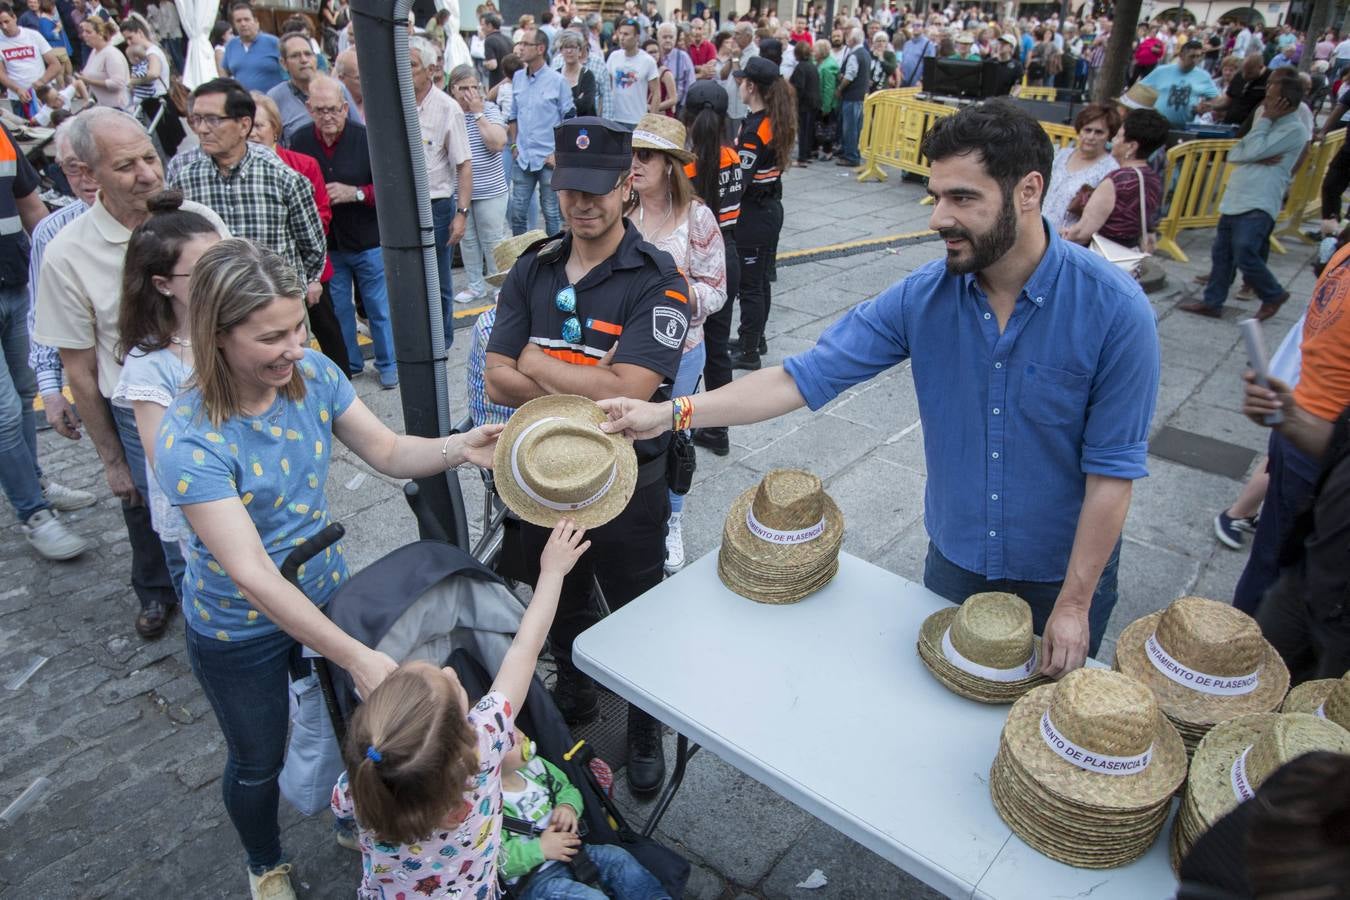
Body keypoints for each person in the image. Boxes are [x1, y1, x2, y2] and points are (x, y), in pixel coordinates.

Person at [599, 99, 1161, 675]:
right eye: (936, 194)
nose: (938, 217)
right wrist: (668, 415)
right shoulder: (924, 296)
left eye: (962, 198)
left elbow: (1112, 475)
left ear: (1028, 191)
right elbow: (801, 377)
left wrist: (1074, 602)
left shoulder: (1115, 312)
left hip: (1062, 577)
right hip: (955, 562)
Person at [151, 239, 503, 900]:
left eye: (297, 326)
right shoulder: (190, 438)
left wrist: (462, 448)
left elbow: (390, 450)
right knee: (256, 760)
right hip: (239, 626)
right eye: (270, 337)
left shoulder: (314, 372)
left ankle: (361, 812)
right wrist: (358, 657)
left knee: (350, 729)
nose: (293, 346)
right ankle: (264, 861)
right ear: (218, 336)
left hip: (327, 594)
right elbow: (252, 574)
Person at [485, 118, 690, 796]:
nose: (583, 204)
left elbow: (628, 393)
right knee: (561, 594)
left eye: (598, 189)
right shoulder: (534, 266)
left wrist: (538, 361)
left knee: (638, 606)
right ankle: (572, 689)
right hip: (543, 473)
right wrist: (584, 375)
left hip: (631, 478)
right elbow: (494, 377)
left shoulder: (658, 280)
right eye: (571, 189)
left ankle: (642, 725)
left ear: (627, 185)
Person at [33, 109, 228, 637]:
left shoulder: (198, 222)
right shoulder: (66, 252)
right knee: (161, 515)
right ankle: (180, 607)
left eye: (150, 156)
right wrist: (113, 462)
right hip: (139, 409)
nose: (147, 173)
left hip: (220, 389)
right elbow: (80, 366)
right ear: (87, 175)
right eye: (127, 166)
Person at [334, 521, 588, 900]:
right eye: (452, 683)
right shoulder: (483, 750)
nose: (451, 669)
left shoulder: (366, 777)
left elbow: (342, 809)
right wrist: (552, 572)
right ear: (465, 728)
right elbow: (524, 650)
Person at [628, 114, 726, 572]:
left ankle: (674, 520)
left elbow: (718, 289)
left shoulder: (698, 217)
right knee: (627, 431)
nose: (634, 164)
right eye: (631, 154)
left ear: (669, 165)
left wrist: (679, 293)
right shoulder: (620, 210)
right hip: (624, 354)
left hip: (681, 352)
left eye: (645, 155)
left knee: (675, 437)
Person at [170, 79, 329, 349]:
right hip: (217, 315)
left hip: (277, 312)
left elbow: (314, 250)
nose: (202, 129)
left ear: (244, 124)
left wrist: (290, 293)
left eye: (213, 119)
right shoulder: (184, 180)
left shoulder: (282, 177)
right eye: (196, 119)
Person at [0, 118, 90, 561]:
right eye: (73, 168)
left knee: (22, 395)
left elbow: (31, 207)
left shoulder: (1, 132)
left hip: (14, 284)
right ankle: (33, 512)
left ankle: (33, 481)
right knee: (3, 414)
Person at [112, 192, 222, 547]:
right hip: (205, 511)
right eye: (205, 271)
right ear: (163, 284)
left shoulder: (235, 330)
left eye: (226, 263)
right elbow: (165, 459)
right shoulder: (151, 364)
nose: (222, 278)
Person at [291, 75, 398, 387]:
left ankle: (388, 364)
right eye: (321, 110)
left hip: (366, 240)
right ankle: (349, 364)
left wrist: (357, 193)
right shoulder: (300, 140)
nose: (329, 117)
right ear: (310, 109)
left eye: (335, 110)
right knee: (339, 309)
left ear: (345, 108)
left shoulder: (364, 137)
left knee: (378, 308)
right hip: (329, 244)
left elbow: (388, 188)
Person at [1180, 76, 1309, 322]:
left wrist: (1263, 128)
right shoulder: (1266, 120)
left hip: (1259, 200)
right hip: (1238, 196)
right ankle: (1213, 301)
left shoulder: (1293, 129)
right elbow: (1238, 152)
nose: (1265, 102)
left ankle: (1272, 293)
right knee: (1222, 254)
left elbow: (1252, 150)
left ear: (1285, 101)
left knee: (1245, 251)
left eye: (1271, 98)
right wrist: (1255, 147)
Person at [498, 729, 671, 898]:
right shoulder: (485, 809)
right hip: (536, 881)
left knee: (618, 859)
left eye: (515, 726)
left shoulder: (535, 768)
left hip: (577, 853)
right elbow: (496, 861)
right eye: (509, 738)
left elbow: (566, 789)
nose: (521, 736)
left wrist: (568, 806)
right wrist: (541, 848)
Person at [248, 90, 351, 375]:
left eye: (260, 125)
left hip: (306, 270)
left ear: (275, 129)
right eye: (248, 126)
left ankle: (341, 382)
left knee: (326, 328)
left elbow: (321, 216)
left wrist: (312, 277)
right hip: (259, 277)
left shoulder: (300, 166)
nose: (253, 133)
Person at [682, 81, 742, 458]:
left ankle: (676, 422)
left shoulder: (683, 165)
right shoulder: (733, 157)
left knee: (681, 347)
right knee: (717, 349)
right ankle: (717, 429)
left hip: (692, 263)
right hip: (729, 258)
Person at [730, 56, 794, 372]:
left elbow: (740, 181)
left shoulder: (756, 130)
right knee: (761, 281)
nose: (739, 85)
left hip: (754, 215)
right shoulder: (771, 119)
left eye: (742, 81)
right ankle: (755, 338)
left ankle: (749, 350)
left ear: (751, 86)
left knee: (750, 286)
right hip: (769, 210)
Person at [409, 35, 472, 349]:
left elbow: (464, 164)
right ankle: (417, 337)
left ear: (430, 69)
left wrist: (461, 214)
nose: (406, 72)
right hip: (402, 205)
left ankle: (442, 341)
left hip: (436, 205)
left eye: (413, 66)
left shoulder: (448, 108)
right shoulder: (394, 104)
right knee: (410, 278)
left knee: (438, 279)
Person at [1059, 107, 1166, 254]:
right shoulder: (1153, 178)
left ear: (1132, 146)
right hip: (1129, 255)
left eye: (1119, 137)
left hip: (1104, 256)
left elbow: (1081, 233)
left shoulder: (1116, 181)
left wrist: (1055, 236)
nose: (1114, 141)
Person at [448, 65, 509, 307]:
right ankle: (475, 285)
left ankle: (500, 286)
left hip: (490, 190)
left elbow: (497, 143)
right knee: (468, 240)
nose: (470, 93)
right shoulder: (449, 112)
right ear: (453, 90)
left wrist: (478, 114)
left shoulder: (489, 110)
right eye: (463, 88)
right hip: (458, 190)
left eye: (474, 87)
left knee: (493, 239)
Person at [506, 29, 571, 238]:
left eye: (526, 43)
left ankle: (555, 258)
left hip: (548, 159)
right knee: (517, 213)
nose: (520, 48)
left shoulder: (558, 81)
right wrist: (514, 145)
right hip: (523, 157)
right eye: (520, 43)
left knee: (551, 213)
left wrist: (558, 154)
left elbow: (568, 121)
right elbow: (513, 115)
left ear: (540, 48)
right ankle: (519, 261)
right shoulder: (517, 78)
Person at [1041, 104, 1121, 233]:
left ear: (1109, 135)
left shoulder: (1110, 170)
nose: (1091, 137)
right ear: (1079, 131)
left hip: (1067, 239)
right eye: (1087, 130)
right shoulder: (1062, 155)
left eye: (1099, 132)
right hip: (1038, 229)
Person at [266, 32, 359, 143]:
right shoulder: (275, 98)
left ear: (315, 58)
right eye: (295, 55)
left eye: (308, 54)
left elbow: (358, 130)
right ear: (283, 63)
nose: (304, 60)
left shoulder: (337, 88)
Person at [1140, 39, 1219, 127]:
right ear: (1181, 55)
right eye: (1192, 56)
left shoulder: (1204, 76)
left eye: (1198, 56)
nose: (1195, 60)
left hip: (1184, 128)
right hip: (1157, 126)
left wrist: (1204, 106)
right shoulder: (1161, 71)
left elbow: (1216, 99)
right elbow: (1141, 90)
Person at [0, 1, 59, 117]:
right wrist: (17, 89)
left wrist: (41, 82)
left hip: (42, 94)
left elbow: (55, 64)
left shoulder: (33, 35)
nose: (4, 27)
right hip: (19, 98)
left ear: (14, 17)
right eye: (0, 24)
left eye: (7, 21)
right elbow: (1, 73)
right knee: (26, 132)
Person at [220, 1, 284, 94]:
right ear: (234, 25)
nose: (243, 24)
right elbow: (224, 70)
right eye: (239, 21)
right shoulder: (231, 45)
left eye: (246, 19)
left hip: (271, 104)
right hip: (244, 104)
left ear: (256, 22)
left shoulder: (273, 42)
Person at [606, 18, 657, 128]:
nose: (622, 38)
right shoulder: (613, 57)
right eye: (620, 33)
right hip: (614, 118)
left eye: (626, 34)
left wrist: (651, 122)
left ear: (637, 37)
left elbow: (656, 93)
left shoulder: (648, 61)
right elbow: (606, 87)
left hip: (637, 120)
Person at [834, 26, 869, 168]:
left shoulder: (855, 55)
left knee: (850, 128)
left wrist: (840, 88)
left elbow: (850, 75)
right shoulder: (865, 53)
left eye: (848, 36)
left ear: (853, 39)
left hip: (852, 96)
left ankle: (851, 156)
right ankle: (850, 152)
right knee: (854, 126)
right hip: (860, 96)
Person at [74, 16, 126, 110]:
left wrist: (88, 81)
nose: (84, 35)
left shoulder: (111, 54)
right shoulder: (94, 51)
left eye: (88, 32)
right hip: (104, 106)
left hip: (118, 107)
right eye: (83, 31)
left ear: (100, 34)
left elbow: (117, 84)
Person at [790, 38, 819, 168]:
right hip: (813, 103)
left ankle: (802, 158)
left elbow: (799, 87)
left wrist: (794, 100)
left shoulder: (800, 67)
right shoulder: (812, 66)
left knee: (803, 132)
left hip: (804, 104)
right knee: (809, 131)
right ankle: (807, 155)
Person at [555, 29, 596, 116]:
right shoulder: (556, 75)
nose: (569, 51)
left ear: (580, 51)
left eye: (573, 47)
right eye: (565, 47)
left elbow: (586, 105)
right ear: (561, 51)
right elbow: (551, 105)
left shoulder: (588, 75)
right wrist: (576, 100)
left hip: (583, 126)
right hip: (561, 127)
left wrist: (562, 101)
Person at [657, 21, 692, 109]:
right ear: (658, 37)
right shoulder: (652, 57)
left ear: (675, 38)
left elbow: (690, 83)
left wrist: (683, 107)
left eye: (671, 37)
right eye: (664, 37)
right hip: (654, 108)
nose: (668, 40)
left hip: (679, 107)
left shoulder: (683, 57)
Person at [642, 36, 676, 116]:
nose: (654, 55)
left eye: (656, 52)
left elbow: (673, 99)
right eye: (650, 52)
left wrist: (653, 107)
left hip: (662, 117)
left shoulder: (665, 73)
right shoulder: (641, 72)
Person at [898, 18, 933, 88]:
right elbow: (903, 61)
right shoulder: (907, 44)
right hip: (904, 82)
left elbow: (930, 66)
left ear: (923, 28)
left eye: (918, 25)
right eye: (913, 25)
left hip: (917, 84)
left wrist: (922, 80)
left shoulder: (928, 45)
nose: (915, 27)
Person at [481, 11, 512, 87]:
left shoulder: (489, 40)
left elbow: (492, 65)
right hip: (510, 82)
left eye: (483, 25)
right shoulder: (509, 40)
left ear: (490, 26)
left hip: (497, 85)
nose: (481, 28)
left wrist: (484, 63)